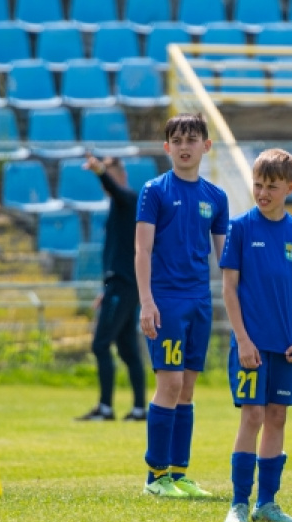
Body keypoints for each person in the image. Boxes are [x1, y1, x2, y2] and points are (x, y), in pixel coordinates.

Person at [135, 112, 229, 498]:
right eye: (178, 140)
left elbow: (226, 260)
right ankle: (155, 477)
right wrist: (146, 301)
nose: (185, 146)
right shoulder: (154, 191)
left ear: (206, 146)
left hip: (199, 302)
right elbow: (142, 249)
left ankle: (178, 473)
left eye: (193, 140)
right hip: (167, 301)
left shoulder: (216, 197)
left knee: (187, 389)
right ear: (167, 147)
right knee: (169, 383)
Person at [219, 149, 292, 522]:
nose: (263, 193)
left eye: (272, 187)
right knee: (252, 416)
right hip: (251, 345)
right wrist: (242, 339)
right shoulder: (240, 228)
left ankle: (267, 504)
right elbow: (229, 287)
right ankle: (239, 504)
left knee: (277, 417)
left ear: (289, 187)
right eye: (258, 185)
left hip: (285, 344)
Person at [76, 155, 147, 423]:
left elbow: (115, 189)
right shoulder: (120, 205)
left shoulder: (128, 199)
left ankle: (105, 408)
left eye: (109, 173)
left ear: (120, 174)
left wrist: (100, 171)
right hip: (118, 285)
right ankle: (139, 409)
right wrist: (106, 289)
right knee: (128, 349)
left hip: (124, 285)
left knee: (100, 343)